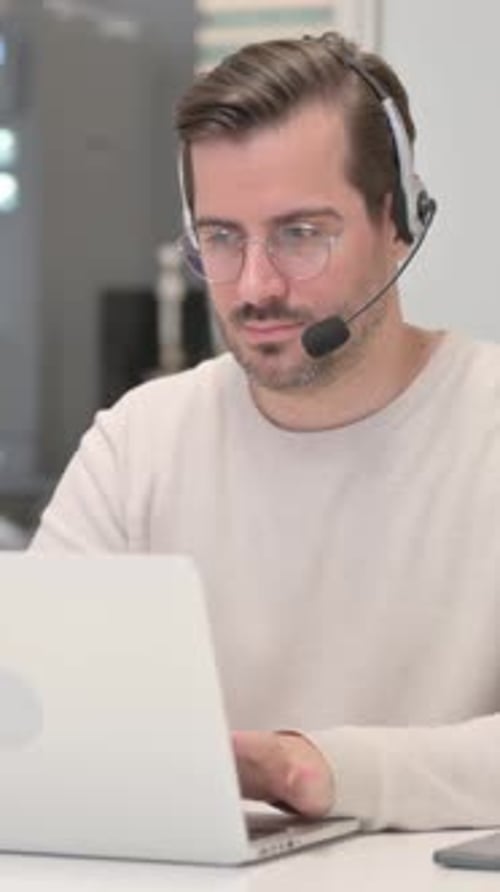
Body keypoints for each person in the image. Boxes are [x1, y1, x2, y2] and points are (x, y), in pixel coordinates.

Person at [31, 31, 500, 832]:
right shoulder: (138, 444)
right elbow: (32, 725)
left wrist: (318, 767)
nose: (255, 287)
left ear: (400, 223)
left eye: (300, 234)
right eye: (221, 237)